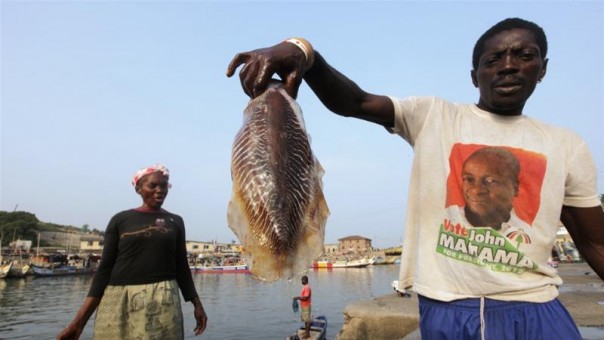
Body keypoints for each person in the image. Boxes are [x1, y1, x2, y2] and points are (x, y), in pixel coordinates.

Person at [226, 18, 604, 339]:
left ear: (543, 67)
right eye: (493, 60)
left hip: (537, 308)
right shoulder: (434, 116)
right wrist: (303, 52)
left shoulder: (566, 144)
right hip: (450, 309)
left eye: (524, 56)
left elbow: (593, 241)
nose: (508, 66)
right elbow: (353, 101)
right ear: (475, 75)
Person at [57, 164, 207, 340]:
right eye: (152, 185)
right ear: (138, 189)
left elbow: (182, 267)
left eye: (164, 185)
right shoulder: (120, 220)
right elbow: (105, 269)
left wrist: (197, 304)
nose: (159, 190)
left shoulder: (175, 221)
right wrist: (78, 323)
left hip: (163, 298)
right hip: (119, 297)